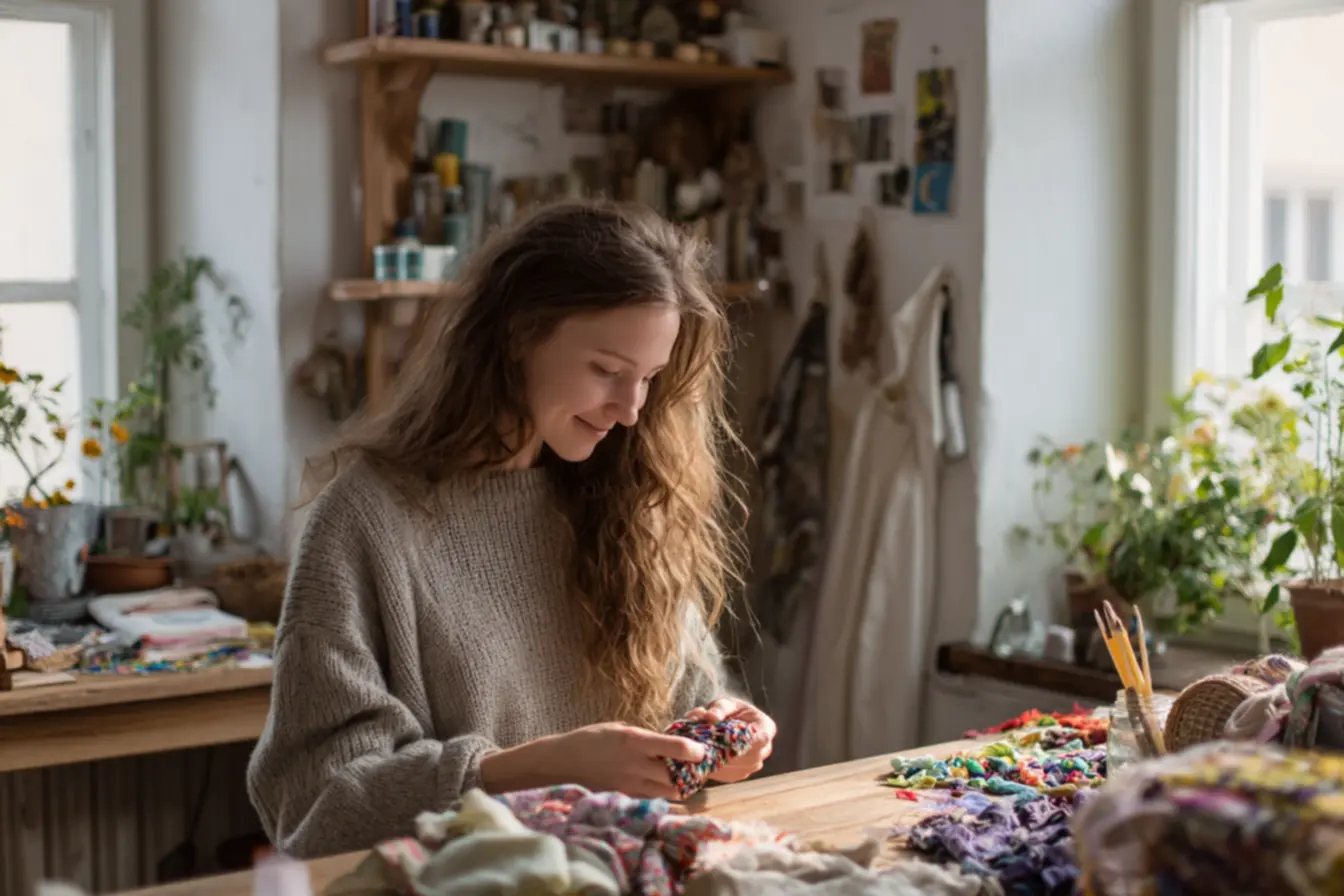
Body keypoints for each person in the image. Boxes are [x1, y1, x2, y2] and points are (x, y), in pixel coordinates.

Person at [246, 200, 778, 859]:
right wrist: (529, 769)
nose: (631, 410)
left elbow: (689, 704)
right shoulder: (367, 520)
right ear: (520, 334)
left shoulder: (630, 501)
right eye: (608, 371)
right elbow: (316, 805)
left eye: (648, 379)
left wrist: (719, 734)